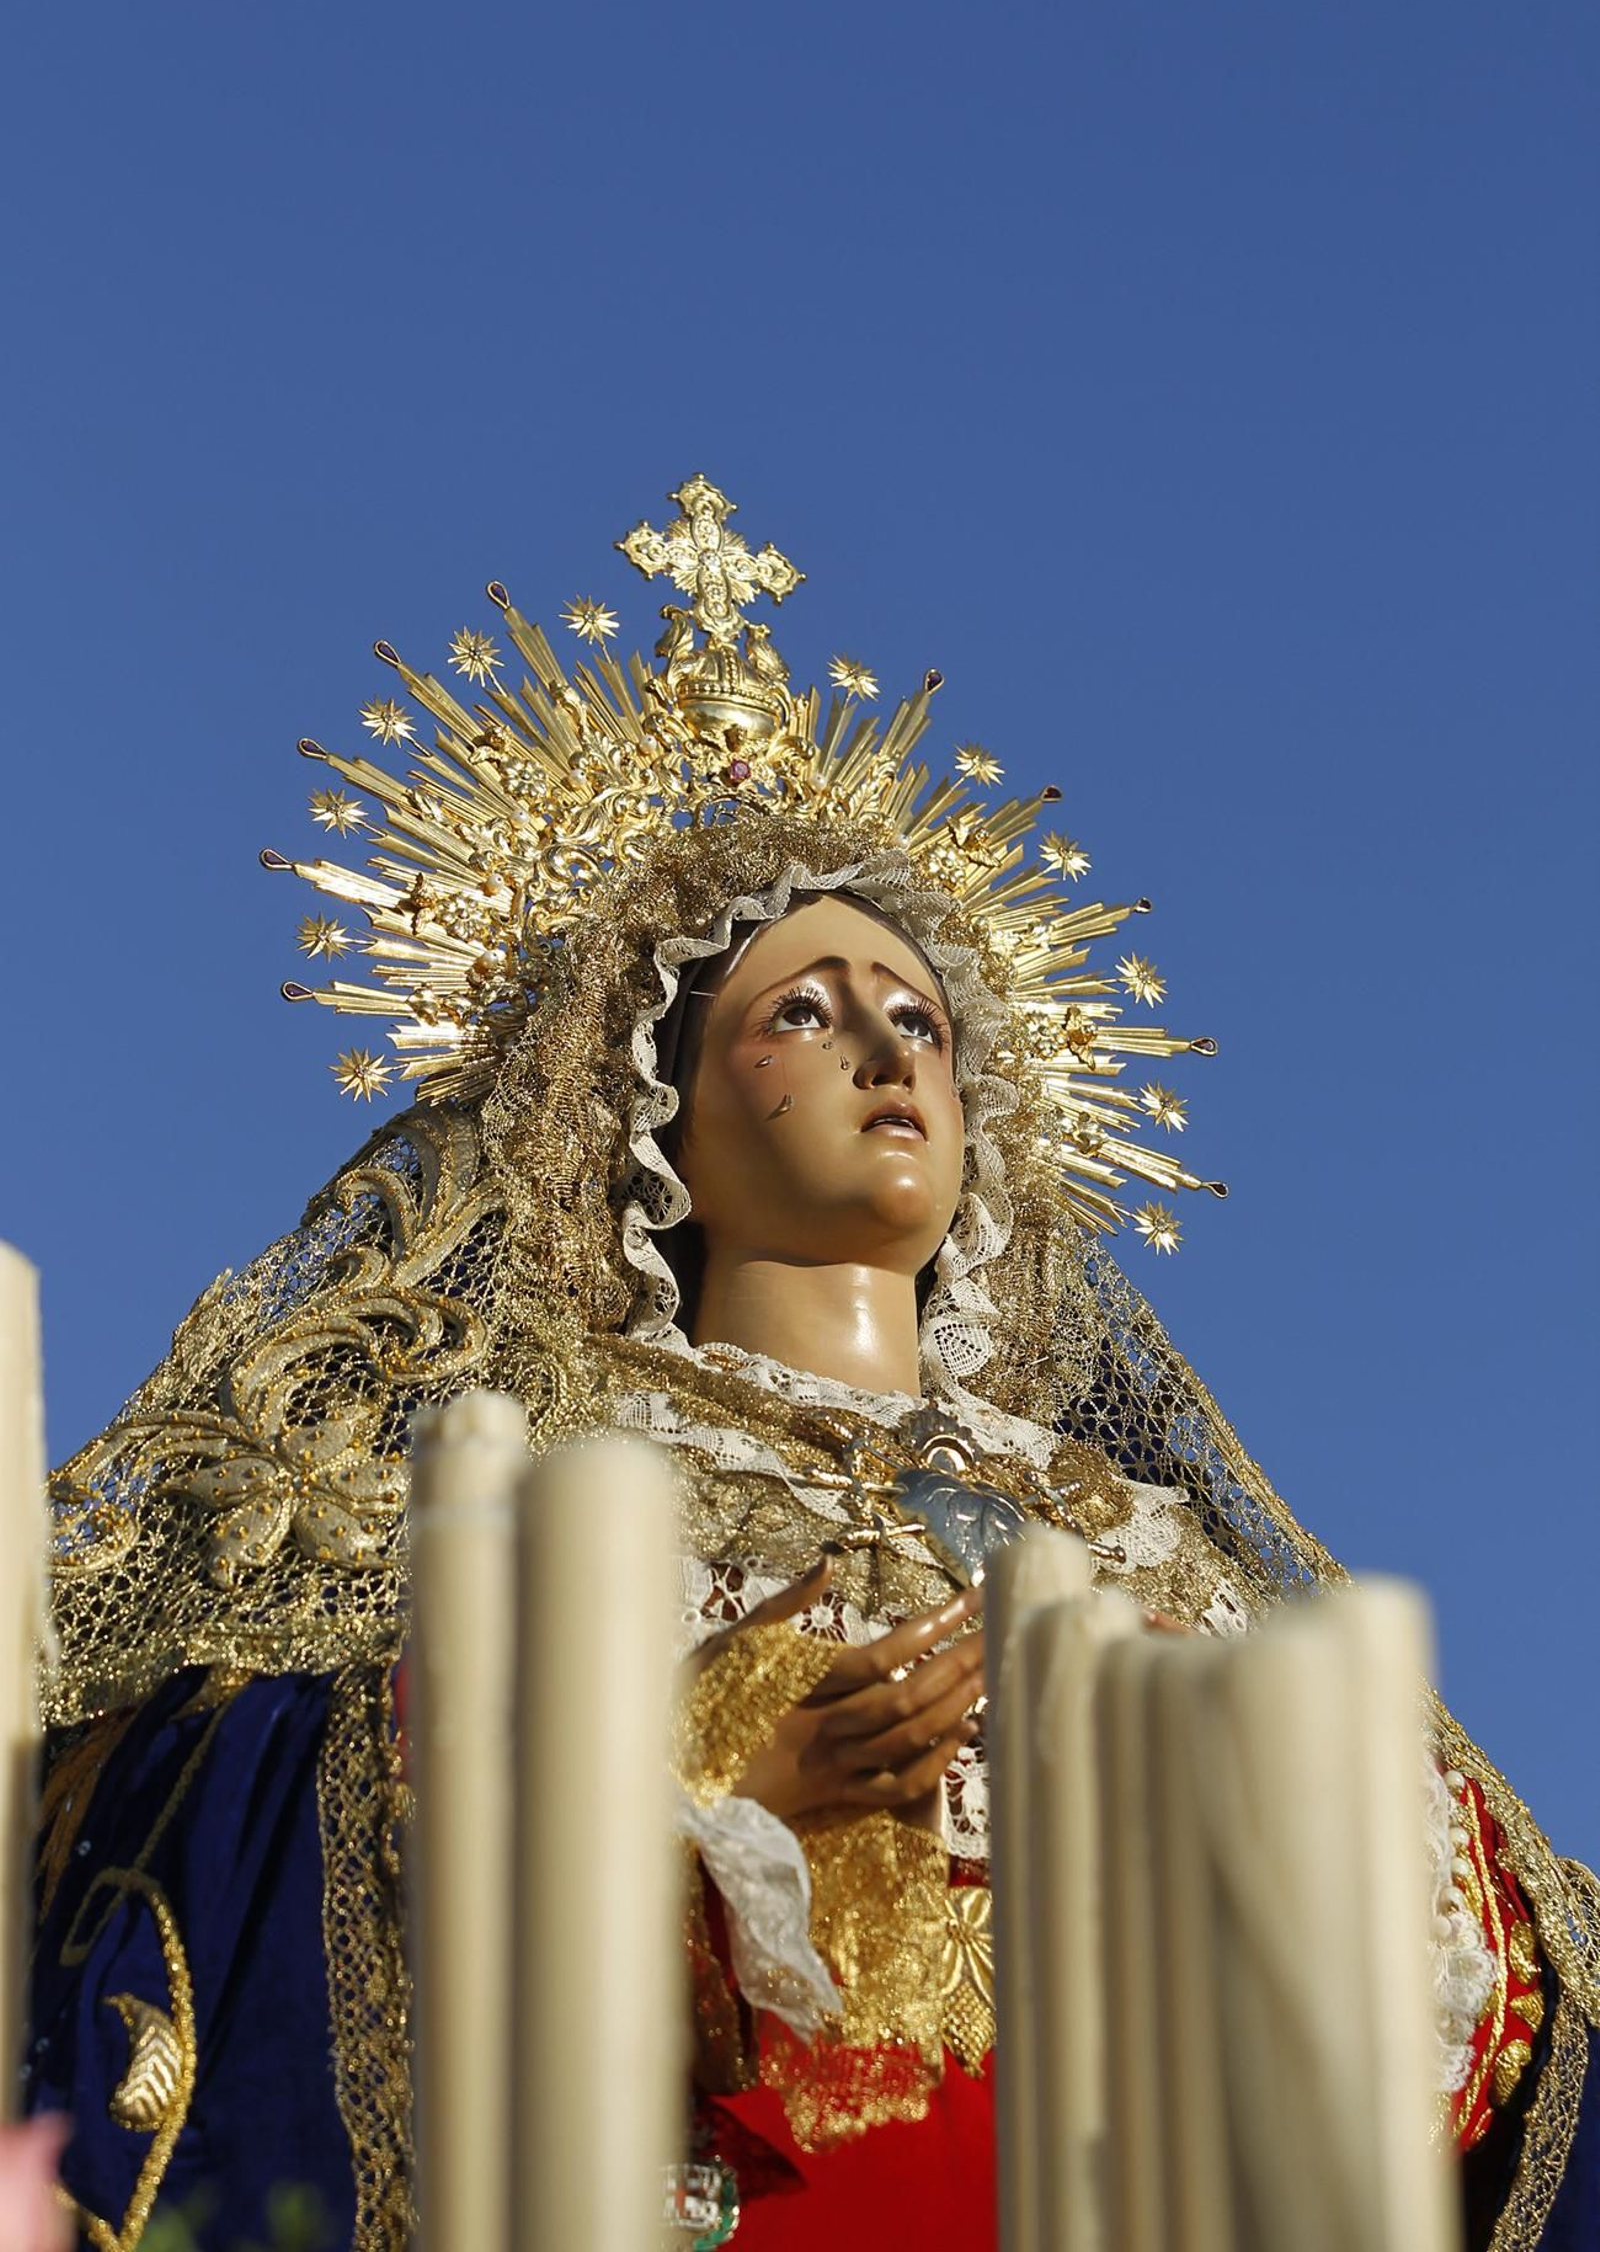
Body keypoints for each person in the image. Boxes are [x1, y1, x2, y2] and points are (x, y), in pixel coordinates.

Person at [27, 479, 1598, 2250]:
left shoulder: (1138, 1542)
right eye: (801, 1014)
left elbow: (1482, 2023)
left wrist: (1280, 1819)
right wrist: (719, 1816)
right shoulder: (537, 1497)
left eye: (918, 1020)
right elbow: (299, 1919)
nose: (887, 1053)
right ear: (652, 1129)